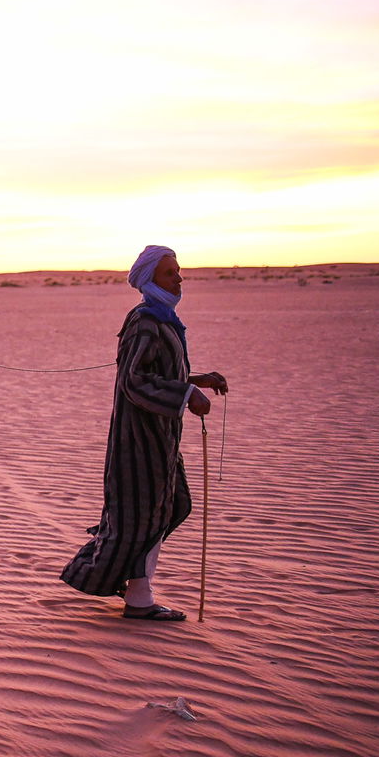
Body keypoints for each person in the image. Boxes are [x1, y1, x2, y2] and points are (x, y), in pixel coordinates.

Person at [61, 245, 228, 621]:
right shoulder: (144, 320)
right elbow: (134, 381)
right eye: (170, 273)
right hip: (137, 441)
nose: (179, 278)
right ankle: (136, 595)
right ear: (150, 278)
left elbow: (157, 374)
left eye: (179, 271)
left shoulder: (164, 319)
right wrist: (186, 394)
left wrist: (198, 380)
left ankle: (133, 584)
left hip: (162, 438)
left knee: (171, 506)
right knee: (141, 516)